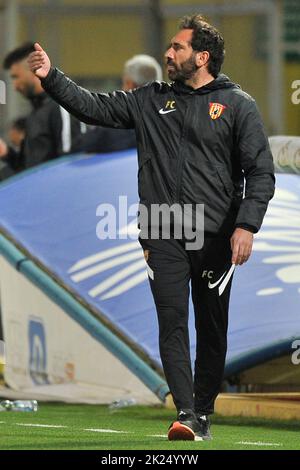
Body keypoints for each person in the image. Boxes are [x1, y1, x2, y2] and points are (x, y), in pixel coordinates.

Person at [28, 14, 275, 441]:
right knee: (172, 321)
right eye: (169, 47)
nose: (168, 53)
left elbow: (261, 173)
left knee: (212, 329)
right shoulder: (149, 99)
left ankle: (202, 410)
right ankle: (184, 413)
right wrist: (52, 77)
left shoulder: (238, 105)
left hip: (216, 233)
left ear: (202, 56)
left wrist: (247, 226)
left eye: (177, 48)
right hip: (161, 230)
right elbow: (95, 106)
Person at [0, 43, 82, 175]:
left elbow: (69, 161)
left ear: (34, 70)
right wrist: (6, 153)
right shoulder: (35, 113)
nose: (15, 86)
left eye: (16, 77)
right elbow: (28, 169)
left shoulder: (61, 105)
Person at [76, 54, 162, 153]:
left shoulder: (111, 125)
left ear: (130, 85)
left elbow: (79, 149)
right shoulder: (173, 118)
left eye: (124, 83)